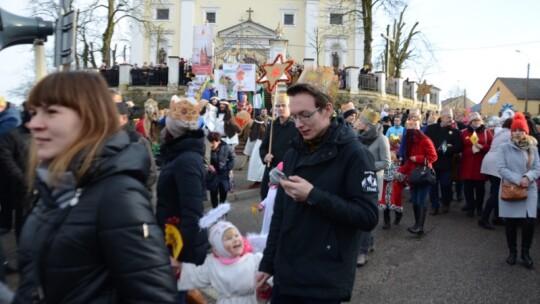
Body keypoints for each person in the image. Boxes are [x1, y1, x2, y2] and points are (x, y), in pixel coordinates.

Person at [14, 71, 177, 303]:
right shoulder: (56, 186)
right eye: (33, 113)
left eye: (51, 113)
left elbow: (154, 295)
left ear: (89, 118)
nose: (34, 124)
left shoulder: (116, 195)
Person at [255, 83, 379, 303]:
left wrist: (313, 195)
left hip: (322, 278)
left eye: (305, 115)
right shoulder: (294, 152)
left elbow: (367, 216)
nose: (299, 124)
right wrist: (268, 263)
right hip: (286, 274)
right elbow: (279, 216)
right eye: (294, 117)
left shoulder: (355, 155)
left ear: (327, 110)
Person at [155, 95, 210, 303]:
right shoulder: (181, 155)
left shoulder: (185, 161)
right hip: (171, 244)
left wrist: (180, 258)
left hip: (177, 251)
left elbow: (193, 212)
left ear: (173, 129)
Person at [176, 217, 269, 304]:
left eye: (237, 235)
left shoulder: (254, 259)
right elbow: (197, 276)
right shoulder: (212, 263)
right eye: (229, 238)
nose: (235, 239)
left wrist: (266, 288)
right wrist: (179, 271)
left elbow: (269, 275)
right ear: (218, 246)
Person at [497, 113, 540, 269]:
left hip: (529, 188)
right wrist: (518, 179)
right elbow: (501, 168)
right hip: (511, 188)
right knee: (511, 222)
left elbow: (537, 168)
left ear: (526, 131)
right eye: (515, 130)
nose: (517, 133)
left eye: (520, 130)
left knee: (529, 222)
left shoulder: (532, 148)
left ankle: (525, 253)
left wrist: (528, 177)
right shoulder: (504, 147)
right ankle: (512, 252)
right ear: (511, 132)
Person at [355, 109, 390, 266]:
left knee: (366, 215)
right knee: (359, 214)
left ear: (367, 125)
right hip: (356, 181)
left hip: (373, 182)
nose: (357, 120)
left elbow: (387, 163)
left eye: (360, 119)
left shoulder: (382, 139)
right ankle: (368, 243)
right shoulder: (358, 137)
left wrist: (366, 166)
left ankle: (362, 251)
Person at [395, 120, 437, 235]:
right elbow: (409, 162)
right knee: (415, 201)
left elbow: (433, 157)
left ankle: (420, 227)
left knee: (420, 201)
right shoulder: (411, 143)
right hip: (413, 176)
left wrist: (418, 159)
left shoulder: (425, 141)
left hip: (423, 175)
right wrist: (399, 171)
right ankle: (417, 225)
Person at [259, 93, 297, 200]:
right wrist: (265, 156)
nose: (280, 108)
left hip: (287, 172)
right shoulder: (272, 125)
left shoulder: (296, 126)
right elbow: (263, 147)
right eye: (278, 106)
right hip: (271, 169)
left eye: (283, 105)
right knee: (266, 198)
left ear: (289, 107)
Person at [424, 108, 463, 215]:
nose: (451, 119)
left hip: (447, 163)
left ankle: (446, 202)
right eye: (449, 117)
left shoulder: (455, 132)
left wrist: (445, 149)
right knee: (433, 185)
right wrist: (434, 151)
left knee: (446, 185)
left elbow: (459, 147)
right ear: (442, 117)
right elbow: (425, 143)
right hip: (433, 163)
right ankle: (434, 205)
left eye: (452, 117)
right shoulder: (431, 129)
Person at [479, 117, 513, 229]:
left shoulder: (501, 133)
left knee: (497, 191)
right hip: (496, 164)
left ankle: (496, 217)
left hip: (490, 162)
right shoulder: (509, 135)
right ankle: (484, 219)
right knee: (496, 193)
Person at [460, 112, 492, 217]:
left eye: (478, 120)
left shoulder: (487, 132)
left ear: (481, 121)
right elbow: (460, 146)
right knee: (467, 189)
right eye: (474, 120)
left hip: (480, 165)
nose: (476, 122)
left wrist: (482, 147)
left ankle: (479, 207)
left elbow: (492, 147)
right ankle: (470, 207)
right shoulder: (464, 132)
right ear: (470, 122)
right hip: (467, 165)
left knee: (480, 189)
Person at [206, 132, 236, 208]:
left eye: (213, 142)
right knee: (213, 193)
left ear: (218, 141)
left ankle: (222, 210)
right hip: (212, 174)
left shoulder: (227, 147)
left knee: (223, 193)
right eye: (209, 142)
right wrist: (209, 166)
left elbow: (233, 158)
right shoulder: (206, 148)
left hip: (224, 173)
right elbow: (202, 159)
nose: (210, 145)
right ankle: (214, 211)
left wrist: (229, 168)